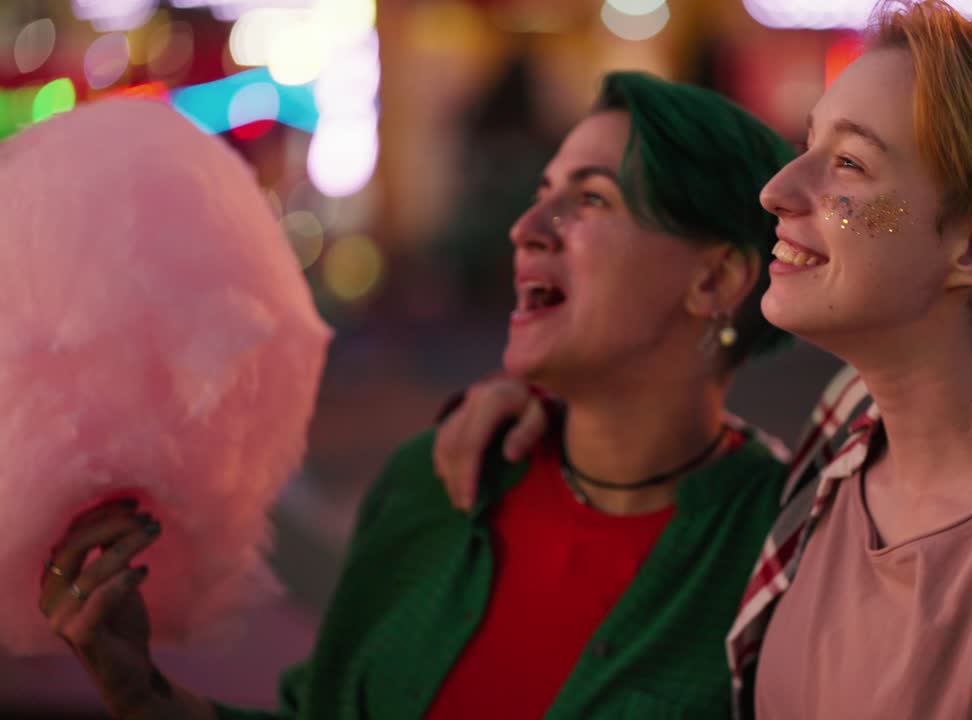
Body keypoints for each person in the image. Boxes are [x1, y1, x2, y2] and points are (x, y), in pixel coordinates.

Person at [433, 3, 972, 718]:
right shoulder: (845, 442)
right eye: (810, 144)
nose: (776, 189)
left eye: (849, 165)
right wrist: (555, 414)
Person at [37, 72, 797, 719]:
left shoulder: (790, 545)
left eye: (592, 199)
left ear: (715, 280)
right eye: (542, 193)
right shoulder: (434, 485)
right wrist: (141, 689)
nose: (527, 228)